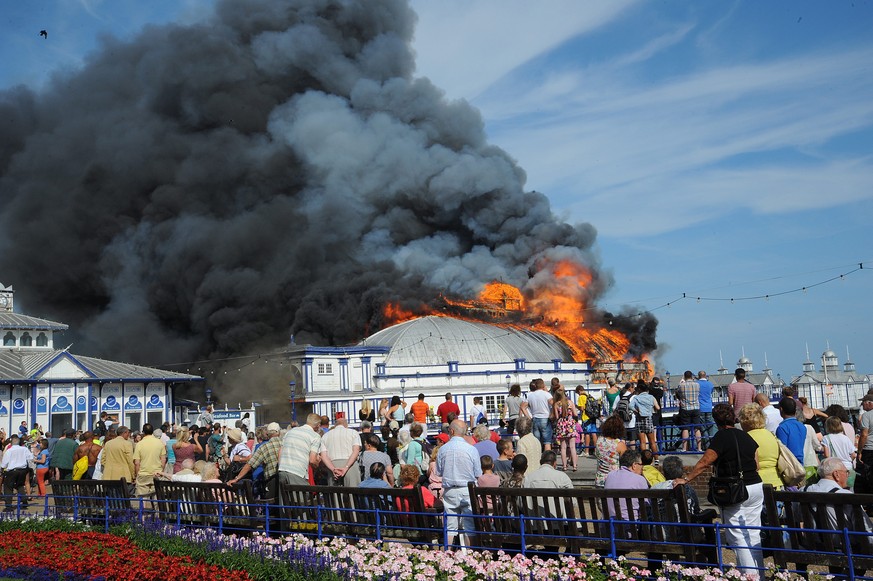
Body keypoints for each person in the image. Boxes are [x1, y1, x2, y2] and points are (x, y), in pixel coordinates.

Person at [674, 403, 764, 579]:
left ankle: (750, 576)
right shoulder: (746, 436)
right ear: (733, 418)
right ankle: (759, 573)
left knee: (737, 536)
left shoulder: (721, 437)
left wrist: (685, 479)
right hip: (755, 486)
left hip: (735, 489)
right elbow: (756, 463)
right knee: (753, 533)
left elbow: (705, 462)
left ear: (716, 421)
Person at [435, 419, 482, 548]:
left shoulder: (443, 449)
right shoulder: (471, 449)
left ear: (451, 431)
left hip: (450, 489)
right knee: (469, 526)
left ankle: (448, 555)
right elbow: (478, 473)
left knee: (450, 526)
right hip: (467, 490)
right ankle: (472, 556)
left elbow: (438, 472)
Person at [738, 403, 781, 490]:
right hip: (777, 481)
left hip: (757, 483)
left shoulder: (746, 438)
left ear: (743, 421)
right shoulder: (771, 435)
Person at [278, 413, 323, 486]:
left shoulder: (290, 432)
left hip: (283, 469)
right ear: (318, 425)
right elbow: (312, 460)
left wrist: (281, 466)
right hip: (297, 471)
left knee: (284, 497)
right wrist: (317, 463)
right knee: (301, 496)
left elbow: (280, 451)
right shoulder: (315, 436)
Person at [603, 450, 649, 519]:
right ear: (634, 465)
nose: (642, 468)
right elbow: (646, 505)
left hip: (608, 525)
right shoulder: (640, 479)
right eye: (641, 464)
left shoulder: (610, 475)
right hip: (630, 526)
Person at [319, 417, 361, 487]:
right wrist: (346, 467)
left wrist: (333, 469)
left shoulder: (325, 436)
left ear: (335, 425)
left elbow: (323, 456)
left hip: (333, 465)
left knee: (335, 494)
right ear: (346, 425)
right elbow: (356, 451)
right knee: (353, 493)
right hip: (351, 465)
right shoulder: (354, 433)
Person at [133, 423, 166, 497]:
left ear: (143, 432)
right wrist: (161, 471)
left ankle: (143, 508)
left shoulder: (139, 444)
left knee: (142, 496)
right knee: (156, 496)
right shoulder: (160, 443)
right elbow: (163, 460)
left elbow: (137, 463)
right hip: (156, 472)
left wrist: (137, 474)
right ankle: (156, 508)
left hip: (143, 473)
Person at [821, 416, 856, 485]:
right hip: (848, 468)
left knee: (836, 490)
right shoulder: (846, 438)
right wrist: (848, 460)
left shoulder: (826, 438)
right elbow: (854, 454)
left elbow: (827, 455)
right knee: (849, 489)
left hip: (834, 469)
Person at [595, 415, 627, 488]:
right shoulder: (619, 444)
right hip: (614, 481)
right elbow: (626, 464)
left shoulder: (599, 441)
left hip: (600, 479)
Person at [631, 380, 659, 461]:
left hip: (640, 419)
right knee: (652, 441)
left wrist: (636, 411)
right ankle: (656, 459)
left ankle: (645, 459)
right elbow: (657, 407)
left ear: (639, 389)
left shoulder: (636, 398)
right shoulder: (651, 397)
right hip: (648, 419)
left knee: (642, 442)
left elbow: (630, 406)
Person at [552, 387, 578, 471]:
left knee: (563, 447)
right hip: (570, 423)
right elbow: (575, 413)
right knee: (572, 447)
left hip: (561, 424)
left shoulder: (556, 404)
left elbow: (556, 416)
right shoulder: (570, 402)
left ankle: (564, 466)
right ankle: (574, 466)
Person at [675, 371, 702, 452]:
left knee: (685, 428)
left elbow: (678, 394)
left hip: (685, 408)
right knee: (697, 428)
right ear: (692, 376)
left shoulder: (681, 385)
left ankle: (684, 448)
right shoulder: (697, 384)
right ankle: (699, 448)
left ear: (684, 376)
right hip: (696, 407)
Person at [1, 435, 30, 510]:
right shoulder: (24, 449)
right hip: (23, 470)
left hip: (12, 470)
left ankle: (8, 506)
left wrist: (2, 469)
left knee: (8, 487)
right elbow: (31, 458)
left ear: (11, 442)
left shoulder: (9, 451)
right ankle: (24, 501)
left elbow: (4, 464)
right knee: (20, 485)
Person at [775, 397, 805, 464]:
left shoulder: (782, 428)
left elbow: (783, 450)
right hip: (800, 462)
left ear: (781, 409)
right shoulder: (801, 426)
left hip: (789, 464)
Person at [527, 378, 553, 451]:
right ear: (543, 385)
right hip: (545, 417)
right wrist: (552, 414)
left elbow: (523, 406)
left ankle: (537, 458)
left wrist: (529, 417)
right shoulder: (546, 394)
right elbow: (553, 404)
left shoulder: (531, 396)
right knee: (547, 442)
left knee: (537, 442)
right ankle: (548, 459)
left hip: (535, 417)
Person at [856, 394, 873, 499]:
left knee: (870, 477)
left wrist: (859, 451)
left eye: (863, 402)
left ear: (869, 403)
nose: (862, 405)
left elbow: (864, 434)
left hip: (869, 449)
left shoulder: (867, 416)